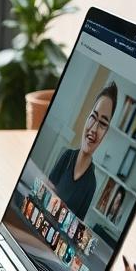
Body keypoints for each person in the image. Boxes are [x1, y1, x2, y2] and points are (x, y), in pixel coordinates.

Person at [48, 82, 117, 219]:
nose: (94, 129)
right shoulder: (66, 157)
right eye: (93, 117)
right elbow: (44, 194)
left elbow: (75, 227)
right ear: (87, 118)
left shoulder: (91, 184)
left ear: (106, 134)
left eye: (103, 124)